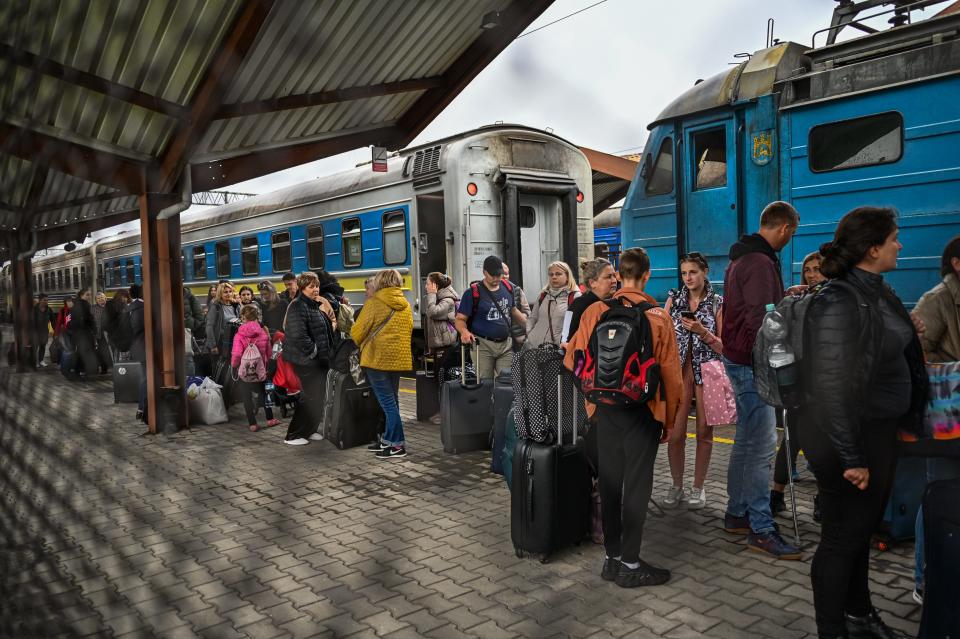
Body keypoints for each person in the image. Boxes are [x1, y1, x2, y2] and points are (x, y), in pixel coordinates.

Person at [803, 206, 927, 639]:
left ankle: (859, 616)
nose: (901, 244)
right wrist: (852, 457)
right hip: (848, 437)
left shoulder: (875, 289)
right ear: (873, 248)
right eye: (894, 238)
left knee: (857, 533)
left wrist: (905, 332)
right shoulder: (840, 298)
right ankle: (832, 630)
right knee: (841, 537)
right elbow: (831, 385)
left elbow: (876, 348)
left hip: (875, 429)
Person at [563, 247, 682, 587]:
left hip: (604, 413)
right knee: (638, 487)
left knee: (611, 484)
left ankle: (611, 559)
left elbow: (573, 362)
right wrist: (668, 421)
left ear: (618, 274)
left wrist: (593, 404)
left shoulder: (596, 311)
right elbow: (672, 378)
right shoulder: (658, 317)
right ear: (647, 275)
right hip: (643, 413)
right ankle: (631, 564)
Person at [720, 200, 802, 559]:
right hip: (753, 363)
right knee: (761, 447)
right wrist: (777, 357)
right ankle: (760, 526)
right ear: (783, 228)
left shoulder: (745, 257)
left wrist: (783, 296)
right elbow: (759, 317)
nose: (789, 238)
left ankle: (737, 513)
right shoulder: (759, 262)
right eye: (791, 233)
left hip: (738, 356)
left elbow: (757, 305)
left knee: (746, 440)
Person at [909, 234, 960, 605]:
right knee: (939, 495)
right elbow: (917, 360)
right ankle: (925, 580)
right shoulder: (937, 301)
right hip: (947, 417)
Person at [662, 252, 724, 509]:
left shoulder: (718, 303)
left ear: (705, 272)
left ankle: (698, 488)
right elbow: (662, 337)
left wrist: (703, 332)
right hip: (678, 373)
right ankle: (677, 485)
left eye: (693, 272)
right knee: (675, 434)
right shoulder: (673, 300)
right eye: (684, 272)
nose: (688, 277)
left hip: (708, 372)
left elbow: (724, 347)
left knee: (703, 433)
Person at [771, 251, 826, 515]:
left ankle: (820, 498)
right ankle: (776, 493)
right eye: (809, 270)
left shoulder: (827, 300)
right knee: (792, 438)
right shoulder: (799, 298)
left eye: (818, 269)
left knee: (817, 442)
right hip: (800, 379)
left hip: (819, 380)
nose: (813, 274)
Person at [351, 269, 414, 458]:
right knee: (393, 400)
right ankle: (388, 440)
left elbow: (357, 333)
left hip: (377, 359)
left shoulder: (374, 303)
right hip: (398, 360)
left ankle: (397, 445)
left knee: (387, 403)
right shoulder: (405, 304)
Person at [282, 272, 334, 445]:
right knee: (309, 397)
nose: (316, 289)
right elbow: (298, 335)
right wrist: (314, 352)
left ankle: (309, 430)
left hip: (319, 360)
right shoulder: (298, 306)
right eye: (311, 286)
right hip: (307, 361)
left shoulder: (314, 305)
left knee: (318, 397)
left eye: (317, 286)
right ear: (302, 288)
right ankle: (294, 434)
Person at [454, 256, 526, 379]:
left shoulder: (508, 288)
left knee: (508, 382)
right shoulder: (472, 292)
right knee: (485, 383)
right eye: (493, 275)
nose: (497, 278)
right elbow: (460, 319)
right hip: (482, 345)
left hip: (505, 345)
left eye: (499, 275)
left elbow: (513, 310)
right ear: (484, 272)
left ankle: (502, 399)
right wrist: (464, 332)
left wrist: (529, 327)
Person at [230, 304, 280, 432]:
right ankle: (270, 419)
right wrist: (267, 364)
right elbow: (268, 353)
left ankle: (252, 424)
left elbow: (236, 354)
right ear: (257, 317)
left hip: (245, 371)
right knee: (265, 393)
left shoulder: (239, 335)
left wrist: (235, 365)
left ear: (243, 317)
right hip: (260, 370)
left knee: (246, 397)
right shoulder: (263, 333)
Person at [525, 261, 580, 348]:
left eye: (558, 274)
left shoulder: (575, 296)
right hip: (535, 347)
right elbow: (533, 318)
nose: (554, 277)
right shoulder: (543, 295)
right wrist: (530, 335)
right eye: (551, 274)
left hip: (558, 349)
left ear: (567, 277)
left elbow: (578, 325)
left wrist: (565, 342)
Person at [567, 258, 616, 340]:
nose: (614, 280)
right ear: (592, 283)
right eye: (608, 277)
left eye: (614, 275)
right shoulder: (577, 305)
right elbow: (565, 339)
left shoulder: (614, 303)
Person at [205, 282, 241, 384]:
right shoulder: (216, 307)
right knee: (219, 370)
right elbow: (209, 326)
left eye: (230, 291)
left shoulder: (236, 305)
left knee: (232, 368)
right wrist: (213, 345)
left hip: (233, 342)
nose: (228, 294)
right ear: (220, 293)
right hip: (220, 342)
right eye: (225, 292)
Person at [65, 288, 101, 380]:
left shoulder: (76, 305)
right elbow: (90, 320)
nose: (89, 296)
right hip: (83, 334)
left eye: (89, 294)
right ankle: (82, 371)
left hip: (78, 334)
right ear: (82, 295)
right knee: (84, 353)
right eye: (87, 295)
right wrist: (94, 330)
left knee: (80, 353)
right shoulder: (83, 305)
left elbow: (69, 321)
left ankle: (79, 371)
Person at [128, 284, 147, 421]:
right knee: (147, 379)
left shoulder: (133, 307)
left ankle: (142, 408)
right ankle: (142, 408)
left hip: (140, 348)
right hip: (145, 347)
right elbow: (136, 328)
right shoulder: (140, 308)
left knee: (146, 378)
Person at [91, 291, 112, 373]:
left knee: (112, 350)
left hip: (111, 333)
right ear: (96, 300)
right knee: (102, 351)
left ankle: (114, 365)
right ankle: (104, 368)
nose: (100, 299)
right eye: (98, 298)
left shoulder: (110, 307)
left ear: (105, 298)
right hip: (99, 334)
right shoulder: (93, 308)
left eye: (102, 297)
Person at [32, 294, 55, 367]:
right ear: (40, 300)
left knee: (43, 346)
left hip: (45, 331)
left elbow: (53, 320)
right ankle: (34, 362)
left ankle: (41, 360)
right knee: (35, 347)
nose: (46, 302)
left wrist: (54, 330)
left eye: (47, 300)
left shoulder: (49, 309)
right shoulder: (34, 309)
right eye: (44, 300)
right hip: (35, 332)